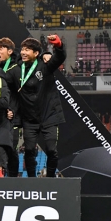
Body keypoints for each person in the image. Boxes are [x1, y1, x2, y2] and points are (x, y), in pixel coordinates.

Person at [18, 35, 66, 178]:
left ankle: (50, 178)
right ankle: (32, 180)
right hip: (30, 119)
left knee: (51, 150)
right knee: (28, 151)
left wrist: (58, 46)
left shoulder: (45, 66)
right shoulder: (18, 68)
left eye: (27, 50)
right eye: (22, 49)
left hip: (49, 117)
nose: (23, 52)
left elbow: (59, 58)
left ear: (36, 53)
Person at [0, 38, 22, 177]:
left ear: (9, 51)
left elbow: (20, 94)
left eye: (1, 49)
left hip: (12, 118)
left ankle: (13, 179)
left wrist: (13, 110)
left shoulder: (15, 69)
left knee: (11, 149)